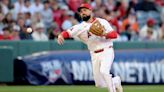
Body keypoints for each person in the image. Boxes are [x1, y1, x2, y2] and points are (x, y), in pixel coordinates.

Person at [57, 3, 123, 92]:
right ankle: (116, 81)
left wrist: (104, 34)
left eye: (85, 10)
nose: (82, 13)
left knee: (104, 71)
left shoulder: (102, 21)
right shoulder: (80, 27)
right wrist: (61, 35)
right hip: (94, 54)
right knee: (99, 84)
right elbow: (67, 32)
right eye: (81, 12)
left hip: (107, 50)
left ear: (90, 11)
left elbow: (114, 35)